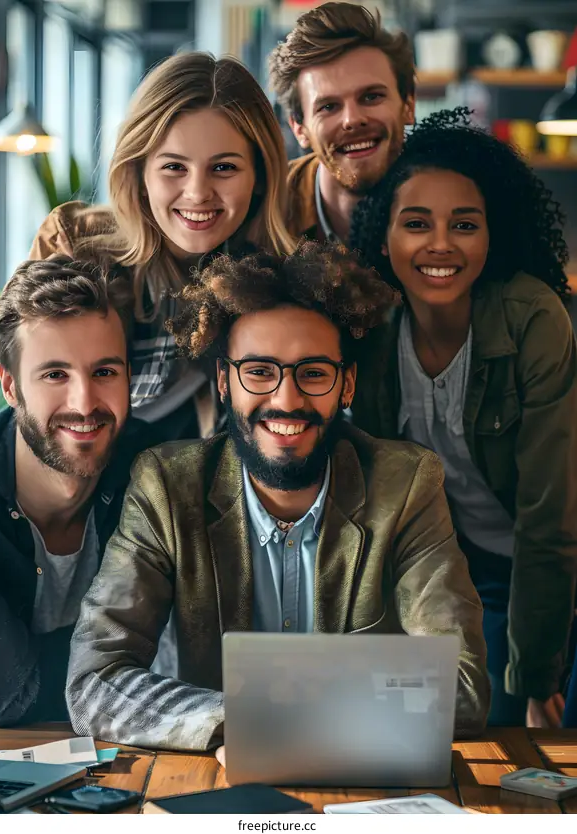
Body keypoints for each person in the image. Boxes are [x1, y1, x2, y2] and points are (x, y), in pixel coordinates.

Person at [66, 241, 489, 752]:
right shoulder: (165, 486)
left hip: (364, 789)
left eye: (313, 373)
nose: (287, 400)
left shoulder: (406, 486)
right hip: (215, 782)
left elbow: (462, 690)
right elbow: (93, 684)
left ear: (346, 385)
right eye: (260, 372)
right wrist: (240, 721)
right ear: (224, 382)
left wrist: (273, 721)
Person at [350, 107, 577, 728]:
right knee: (461, 734)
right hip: (469, 571)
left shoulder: (532, 318)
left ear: (491, 234)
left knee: (541, 741)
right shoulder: (371, 331)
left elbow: (550, 516)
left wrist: (537, 676)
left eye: (465, 224)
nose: (441, 244)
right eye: (416, 223)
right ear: (384, 235)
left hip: (554, 566)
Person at [30, 52, 295, 443]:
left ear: (259, 176)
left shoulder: (269, 274)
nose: (198, 193)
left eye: (224, 168)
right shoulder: (75, 248)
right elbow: (33, 397)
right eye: (174, 167)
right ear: (139, 172)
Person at [0, 258, 150, 726]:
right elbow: (3, 697)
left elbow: (178, 667)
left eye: (105, 372)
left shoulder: (155, 475)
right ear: (10, 386)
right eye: (55, 375)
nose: (84, 403)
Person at [268, 2, 415, 244]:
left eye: (371, 96)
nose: (353, 120)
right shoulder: (263, 216)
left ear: (408, 105)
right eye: (328, 107)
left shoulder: (458, 198)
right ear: (299, 128)